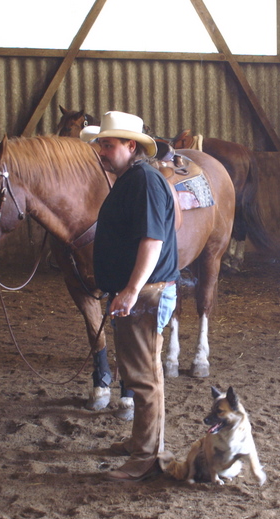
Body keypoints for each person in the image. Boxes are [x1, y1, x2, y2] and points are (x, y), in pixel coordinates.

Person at [80, 111, 179, 481]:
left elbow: (152, 240)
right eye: (101, 144)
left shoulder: (144, 182)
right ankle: (143, 443)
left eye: (109, 144)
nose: (102, 151)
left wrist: (132, 290)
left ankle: (147, 457)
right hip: (140, 293)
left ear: (131, 146)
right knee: (140, 373)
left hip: (146, 294)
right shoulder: (131, 179)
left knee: (144, 377)